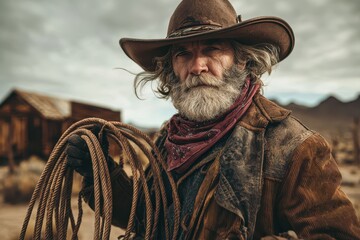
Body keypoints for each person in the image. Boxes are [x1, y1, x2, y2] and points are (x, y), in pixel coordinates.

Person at [66, 0, 360, 239]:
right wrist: (100, 174)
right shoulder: (169, 138)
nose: (197, 66)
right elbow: (147, 216)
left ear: (241, 59)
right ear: (171, 70)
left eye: (212, 49)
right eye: (183, 53)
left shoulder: (293, 147)